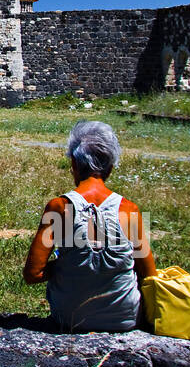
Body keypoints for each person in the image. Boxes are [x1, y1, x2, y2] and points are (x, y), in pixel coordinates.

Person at [23, 120, 157, 333]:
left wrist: (70, 265)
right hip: (124, 318)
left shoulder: (59, 208)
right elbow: (149, 275)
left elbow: (33, 273)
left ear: (74, 164)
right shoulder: (129, 210)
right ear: (110, 168)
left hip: (70, 317)